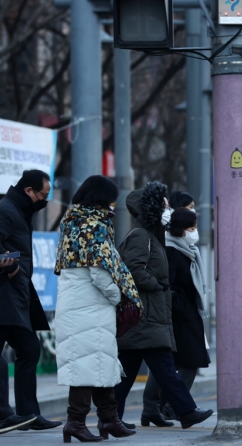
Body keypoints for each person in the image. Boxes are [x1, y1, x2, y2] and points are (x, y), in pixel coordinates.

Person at [114, 182, 213, 429]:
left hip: (147, 317)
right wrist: (158, 286)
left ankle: (111, 417)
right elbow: (133, 270)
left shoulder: (151, 236)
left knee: (128, 374)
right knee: (165, 370)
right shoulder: (140, 236)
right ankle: (187, 412)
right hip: (146, 316)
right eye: (164, 205)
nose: (168, 209)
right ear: (151, 209)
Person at [54, 175, 140, 442]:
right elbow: (100, 271)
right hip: (90, 304)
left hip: (76, 302)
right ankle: (76, 423)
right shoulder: (94, 225)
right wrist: (118, 297)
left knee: (99, 362)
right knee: (86, 367)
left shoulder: (71, 222)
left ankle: (109, 420)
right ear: (102, 198)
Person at [0, 169, 61, 431]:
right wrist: (10, 267)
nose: (44, 200)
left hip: (15, 293)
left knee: (27, 349)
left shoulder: (19, 210)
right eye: (43, 195)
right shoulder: (6, 209)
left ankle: (26, 415)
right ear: (28, 191)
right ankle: (9, 414)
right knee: (25, 349)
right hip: (4, 292)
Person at [141, 208, 211, 423]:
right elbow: (167, 285)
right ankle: (173, 406)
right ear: (180, 229)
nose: (194, 232)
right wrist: (182, 307)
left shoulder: (186, 249)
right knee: (189, 361)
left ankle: (152, 408)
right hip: (179, 316)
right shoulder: (172, 251)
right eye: (191, 228)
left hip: (185, 314)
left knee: (166, 363)